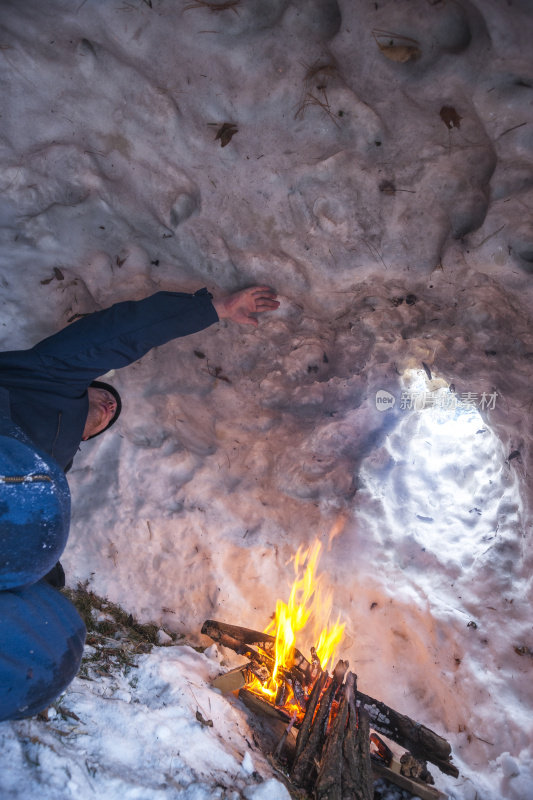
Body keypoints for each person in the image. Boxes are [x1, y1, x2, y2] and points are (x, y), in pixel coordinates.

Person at [0, 284, 279, 720]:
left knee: (52, 656)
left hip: (18, 532)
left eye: (111, 415)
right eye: (103, 396)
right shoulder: (45, 379)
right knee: (40, 546)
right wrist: (214, 308)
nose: (110, 406)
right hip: (10, 479)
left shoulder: (58, 466)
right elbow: (113, 334)